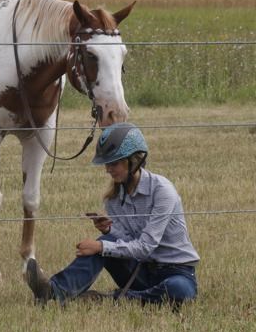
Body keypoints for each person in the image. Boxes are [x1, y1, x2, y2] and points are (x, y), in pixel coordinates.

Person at [26, 122, 200, 308]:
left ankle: (112, 300)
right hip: (139, 271)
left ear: (134, 160)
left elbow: (145, 246)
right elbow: (129, 241)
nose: (108, 169)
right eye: (107, 164)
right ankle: (53, 290)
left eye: (114, 163)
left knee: (179, 291)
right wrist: (111, 229)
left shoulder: (162, 191)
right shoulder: (113, 200)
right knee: (104, 242)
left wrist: (101, 246)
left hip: (176, 272)